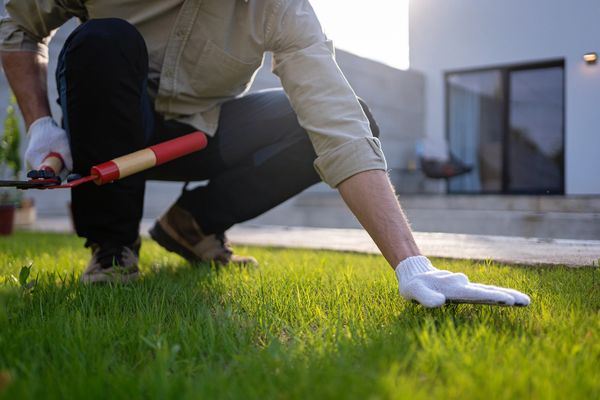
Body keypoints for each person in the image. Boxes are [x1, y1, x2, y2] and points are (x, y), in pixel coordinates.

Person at [0, 0, 530, 308]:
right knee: (102, 41)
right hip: (112, 122)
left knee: (354, 114)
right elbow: (16, 21)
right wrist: (41, 123)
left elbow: (337, 124)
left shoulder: (281, 8)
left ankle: (193, 225)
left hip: (200, 131)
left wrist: (412, 264)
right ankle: (114, 248)